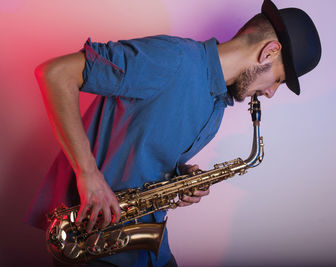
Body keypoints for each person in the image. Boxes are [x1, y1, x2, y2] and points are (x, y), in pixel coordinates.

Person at [25, 0, 321, 266]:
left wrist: (180, 177)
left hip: (146, 246)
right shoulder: (170, 58)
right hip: (91, 239)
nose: (270, 93)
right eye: (278, 80)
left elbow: (142, 146)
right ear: (269, 51)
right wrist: (87, 173)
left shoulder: (218, 102)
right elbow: (55, 73)